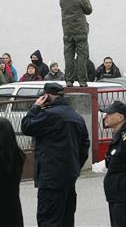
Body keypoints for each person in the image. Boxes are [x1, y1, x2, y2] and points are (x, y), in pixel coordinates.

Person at [21, 83, 90, 227]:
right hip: (69, 179)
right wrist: (75, 166)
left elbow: (26, 126)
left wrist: (35, 107)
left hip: (51, 180)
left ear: (46, 97)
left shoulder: (48, 115)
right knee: (66, 220)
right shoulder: (76, 116)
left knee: (48, 220)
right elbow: (84, 146)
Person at [60, 0, 93, 87]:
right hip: (80, 32)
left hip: (67, 32)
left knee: (68, 56)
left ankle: (68, 80)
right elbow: (88, 11)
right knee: (82, 56)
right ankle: (82, 81)